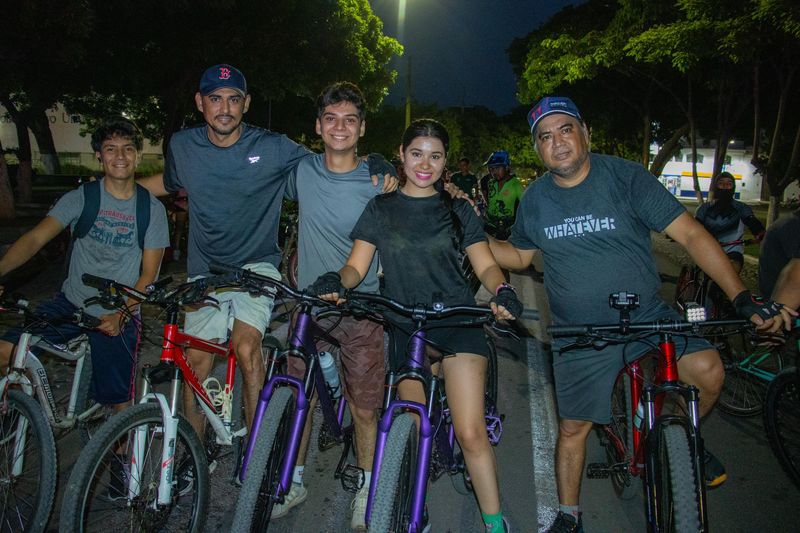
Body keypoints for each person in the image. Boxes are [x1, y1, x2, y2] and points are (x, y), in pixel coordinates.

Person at [488, 96, 792, 533]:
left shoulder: (626, 177)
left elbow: (689, 233)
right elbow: (519, 254)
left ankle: (679, 436)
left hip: (647, 314)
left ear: (585, 132)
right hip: (581, 331)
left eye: (565, 129)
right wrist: (471, 236)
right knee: (573, 428)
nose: (557, 142)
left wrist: (742, 295)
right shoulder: (535, 199)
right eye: (545, 136)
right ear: (536, 148)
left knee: (709, 371)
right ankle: (569, 515)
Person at [137, 64, 395, 491]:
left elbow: (337, 156)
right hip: (206, 270)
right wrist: (110, 185)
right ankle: (194, 455)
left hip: (258, 264)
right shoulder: (182, 146)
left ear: (246, 104)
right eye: (215, 98)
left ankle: (257, 453)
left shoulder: (275, 148)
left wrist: (380, 160)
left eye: (233, 99)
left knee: (246, 346)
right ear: (200, 103)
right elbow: (165, 183)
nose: (224, 107)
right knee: (197, 362)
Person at [311, 118, 522, 533]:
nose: (425, 163)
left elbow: (485, 264)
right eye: (417, 153)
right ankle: (410, 505)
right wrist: (338, 280)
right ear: (402, 156)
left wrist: (502, 291)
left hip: (457, 322)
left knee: (469, 431)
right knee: (408, 418)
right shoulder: (381, 208)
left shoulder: (458, 208)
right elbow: (357, 265)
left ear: (445, 162)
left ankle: (496, 523)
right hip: (406, 326)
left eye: (436, 156)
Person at [0, 118, 169, 417]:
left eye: (128, 149)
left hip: (119, 310)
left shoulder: (151, 209)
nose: (120, 156)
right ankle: (19, 415)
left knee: (118, 404)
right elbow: (35, 238)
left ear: (138, 155)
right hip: (71, 303)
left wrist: (121, 314)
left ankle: (119, 457)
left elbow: (148, 275)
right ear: (99, 157)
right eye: (111, 149)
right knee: (5, 352)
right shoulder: (83, 199)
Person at [274, 82, 386, 530]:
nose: (340, 127)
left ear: (361, 129)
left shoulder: (379, 180)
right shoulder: (301, 171)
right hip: (308, 303)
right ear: (318, 126)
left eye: (350, 120)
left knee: (363, 405)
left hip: (362, 306)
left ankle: (365, 487)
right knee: (298, 395)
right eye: (331, 119)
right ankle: (293, 480)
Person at [695, 171, 765, 274]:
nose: (724, 186)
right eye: (721, 183)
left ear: (733, 188)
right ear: (716, 186)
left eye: (728, 184)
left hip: (733, 251)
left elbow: (752, 222)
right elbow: (695, 226)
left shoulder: (741, 208)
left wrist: (761, 235)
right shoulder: (704, 208)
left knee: (731, 273)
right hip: (707, 249)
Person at [760, 208, 800, 308]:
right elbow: (795, 279)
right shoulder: (793, 226)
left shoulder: (789, 222)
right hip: (785, 304)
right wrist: (775, 313)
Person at [481, 150, 524, 240]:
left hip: (507, 229)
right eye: (492, 169)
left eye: (498, 168)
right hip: (489, 226)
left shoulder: (516, 184)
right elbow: (489, 202)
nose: (494, 172)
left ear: (507, 167)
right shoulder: (491, 183)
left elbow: (526, 206)